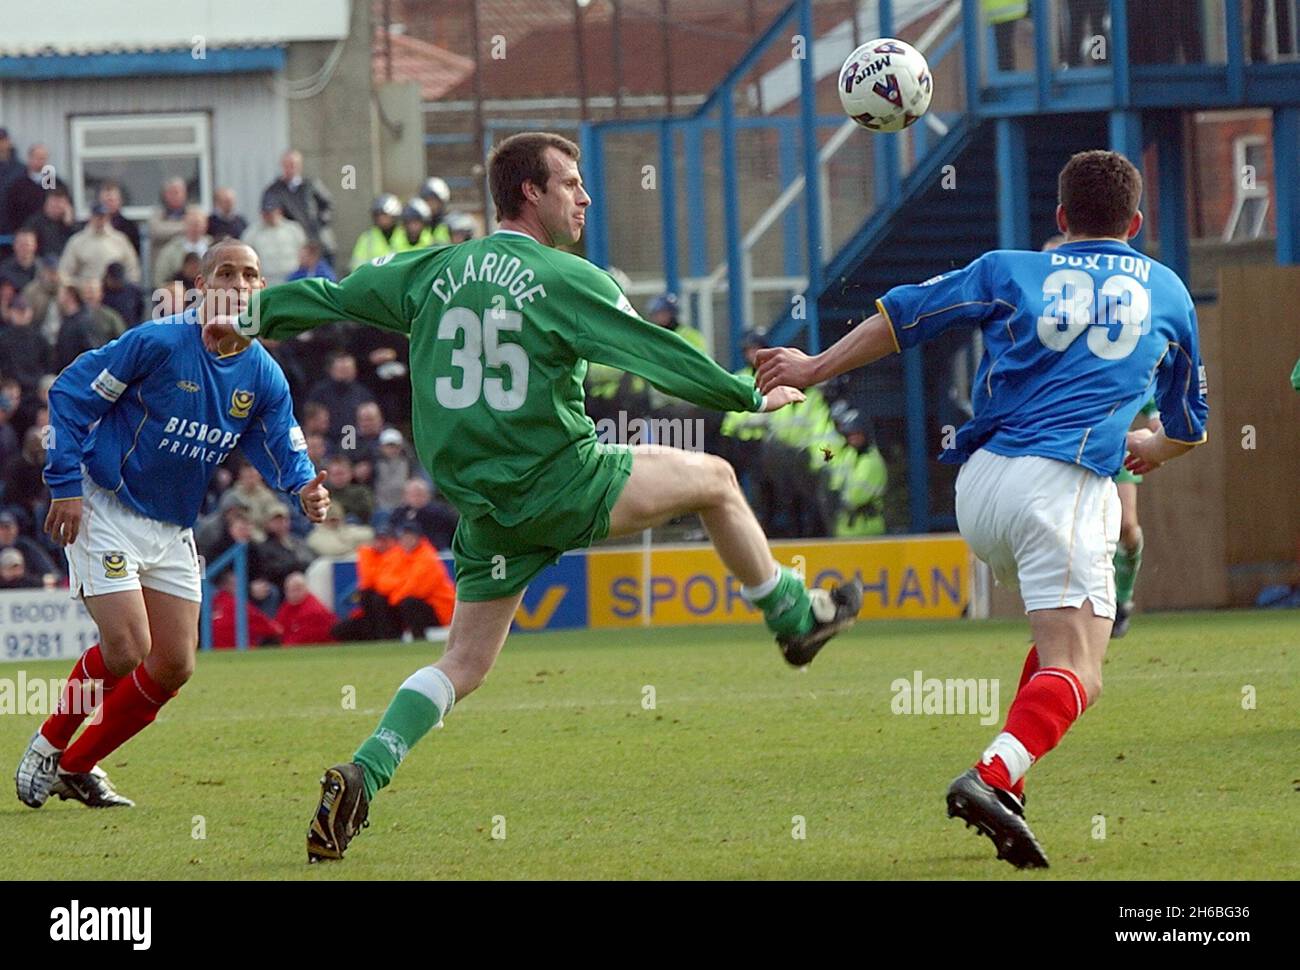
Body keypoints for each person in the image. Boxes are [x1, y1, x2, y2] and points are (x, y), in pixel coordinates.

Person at [210, 130, 861, 862]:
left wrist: (249, 319)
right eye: (570, 184)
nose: (584, 197)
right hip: (562, 480)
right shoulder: (567, 278)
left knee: (464, 664)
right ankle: (795, 617)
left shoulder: (433, 269)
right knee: (716, 480)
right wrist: (745, 392)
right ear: (531, 192)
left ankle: (365, 770)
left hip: (486, 511)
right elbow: (655, 352)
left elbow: (331, 296)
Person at [755, 149, 1208, 869]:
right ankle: (991, 776)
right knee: (1082, 672)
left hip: (981, 488)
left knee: (1060, 645)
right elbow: (1188, 427)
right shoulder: (1169, 291)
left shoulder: (1008, 268)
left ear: (1059, 219)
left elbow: (904, 314)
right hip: (1063, 488)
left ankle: (1012, 782)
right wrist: (1151, 448)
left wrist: (810, 368)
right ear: (1138, 222)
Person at [13, 237, 330, 811]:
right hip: (106, 502)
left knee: (175, 664)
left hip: (170, 523)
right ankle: (48, 745)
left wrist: (305, 485)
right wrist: (63, 487)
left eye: (250, 275)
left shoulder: (263, 374)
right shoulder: (157, 342)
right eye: (225, 274)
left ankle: (79, 768)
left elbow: (280, 441)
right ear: (202, 287)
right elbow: (70, 393)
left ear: (262, 290)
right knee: (127, 646)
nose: (238, 284)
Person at [1110, 398, 1160, 638]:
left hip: (1117, 449)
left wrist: (1155, 416)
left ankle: (1122, 601)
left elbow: (1148, 396)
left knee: (1126, 528)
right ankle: (1059, 610)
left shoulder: (1119, 360)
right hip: (1073, 449)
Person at [262, 150, 335, 263]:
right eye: (287, 165)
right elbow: (269, 210)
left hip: (317, 239)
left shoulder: (311, 184)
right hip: (291, 243)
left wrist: (320, 223)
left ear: (299, 166)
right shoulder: (274, 190)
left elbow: (328, 204)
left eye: (293, 165)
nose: (290, 169)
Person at [59, 203, 141, 286]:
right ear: (90, 218)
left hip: (115, 293)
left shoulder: (120, 240)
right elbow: (64, 273)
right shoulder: (77, 241)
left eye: (103, 217)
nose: (100, 220)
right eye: (97, 217)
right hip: (86, 293)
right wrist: (79, 286)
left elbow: (132, 269)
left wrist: (128, 289)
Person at [306, 352, 374, 440]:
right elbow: (311, 418)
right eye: (342, 369)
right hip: (325, 440)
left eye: (348, 369)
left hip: (352, 438)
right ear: (331, 370)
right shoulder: (319, 392)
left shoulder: (363, 393)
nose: (345, 372)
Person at [243, 198, 308, 286]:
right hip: (268, 278)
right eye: (267, 213)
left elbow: (304, 250)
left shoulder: (293, 228)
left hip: (292, 276)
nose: (270, 216)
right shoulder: (252, 232)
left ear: (279, 211)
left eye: (273, 212)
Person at [152, 206, 211, 287]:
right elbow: (160, 279)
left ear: (206, 225)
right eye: (192, 224)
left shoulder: (214, 247)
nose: (195, 228)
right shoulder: (170, 249)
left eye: (198, 224)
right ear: (185, 224)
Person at [275, 572, 337, 645]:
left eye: (298, 589)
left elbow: (304, 639)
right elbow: (278, 627)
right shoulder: (287, 606)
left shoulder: (314, 610)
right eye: (290, 590)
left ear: (306, 589)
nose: (294, 594)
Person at [147, 178, 190, 278]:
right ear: (164, 195)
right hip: (163, 271)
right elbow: (157, 231)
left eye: (177, 192)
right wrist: (184, 227)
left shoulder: (192, 211)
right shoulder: (157, 214)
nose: (174, 196)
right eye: (171, 192)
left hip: (188, 271)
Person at [351, 194, 401, 269]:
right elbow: (357, 266)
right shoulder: (367, 238)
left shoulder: (406, 235)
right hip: (375, 279)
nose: (381, 220)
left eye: (384, 215)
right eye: (378, 216)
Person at [96, 181, 140, 255]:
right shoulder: (93, 226)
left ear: (119, 201)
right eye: (105, 201)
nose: (108, 204)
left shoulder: (129, 227)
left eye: (111, 200)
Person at [418, 176, 454, 245]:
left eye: (434, 201)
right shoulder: (415, 224)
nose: (430, 205)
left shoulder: (449, 225)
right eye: (427, 200)